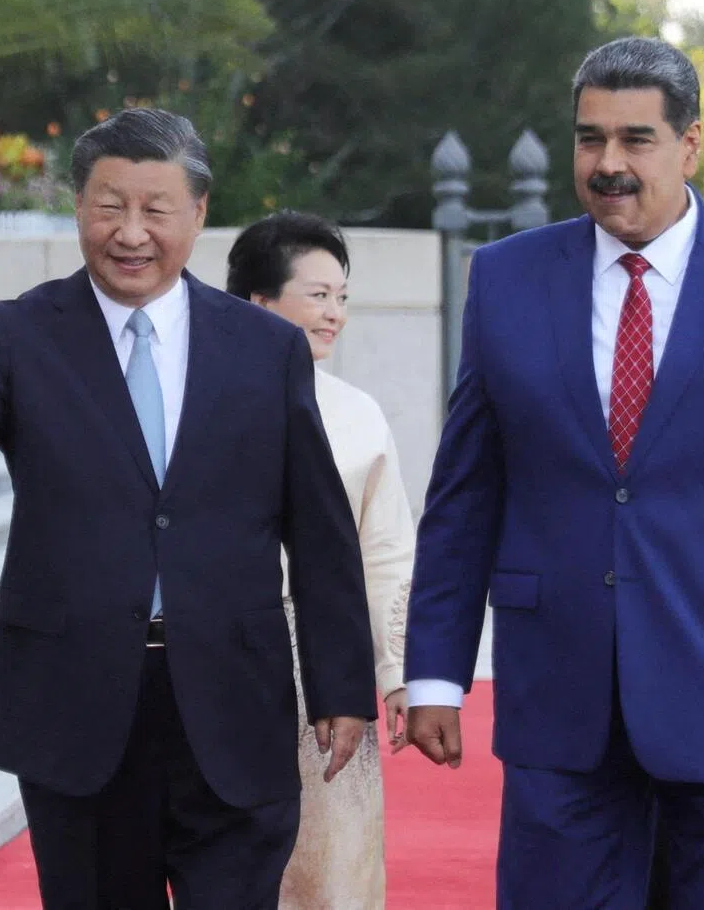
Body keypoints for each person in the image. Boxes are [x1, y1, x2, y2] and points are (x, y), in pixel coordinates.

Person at [403, 37, 704, 907]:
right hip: (560, 698)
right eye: (590, 140)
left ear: (690, 143)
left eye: (636, 140)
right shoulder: (507, 279)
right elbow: (464, 495)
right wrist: (437, 670)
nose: (608, 165)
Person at [0, 109, 377, 910]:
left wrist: (342, 685)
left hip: (232, 696)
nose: (131, 233)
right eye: (110, 207)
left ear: (200, 214)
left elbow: (317, 527)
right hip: (81, 704)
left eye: (155, 210)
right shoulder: (22, 333)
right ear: (79, 207)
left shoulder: (263, 347)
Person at [225, 211, 415, 910]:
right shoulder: (199, 408)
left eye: (342, 297)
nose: (333, 314)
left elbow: (388, 551)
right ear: (258, 303)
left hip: (326, 671)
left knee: (335, 870)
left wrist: (395, 672)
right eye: (316, 295)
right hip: (224, 661)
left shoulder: (358, 413)